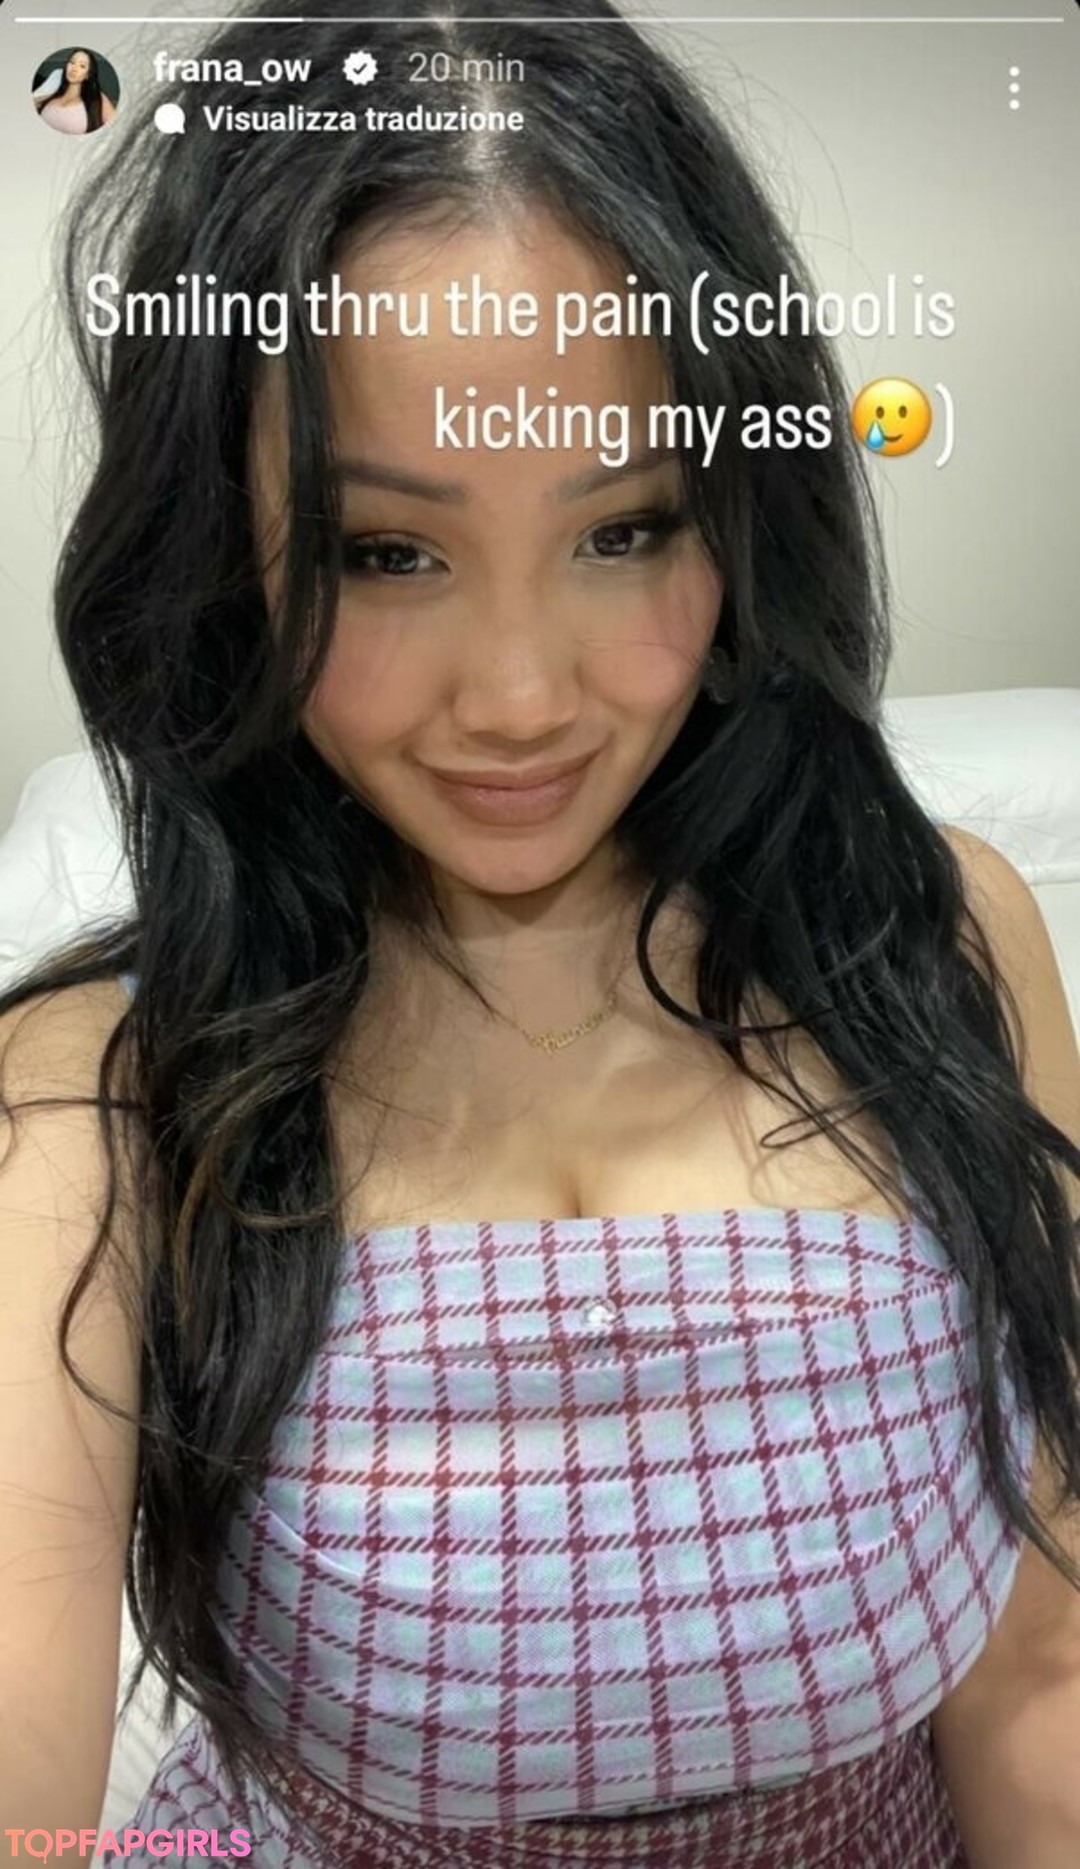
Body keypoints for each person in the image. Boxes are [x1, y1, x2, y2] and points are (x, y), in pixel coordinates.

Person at [1, 0, 1078, 1863]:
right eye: (384, 553)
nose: (518, 699)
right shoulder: (101, 1098)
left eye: (627, 527)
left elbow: (1040, 1669)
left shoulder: (939, 945)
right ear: (228, 558)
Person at [32, 47, 117, 135]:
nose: (74, 68)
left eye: (82, 66)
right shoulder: (49, 96)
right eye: (72, 62)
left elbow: (116, 127)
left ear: (87, 75)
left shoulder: (96, 98)